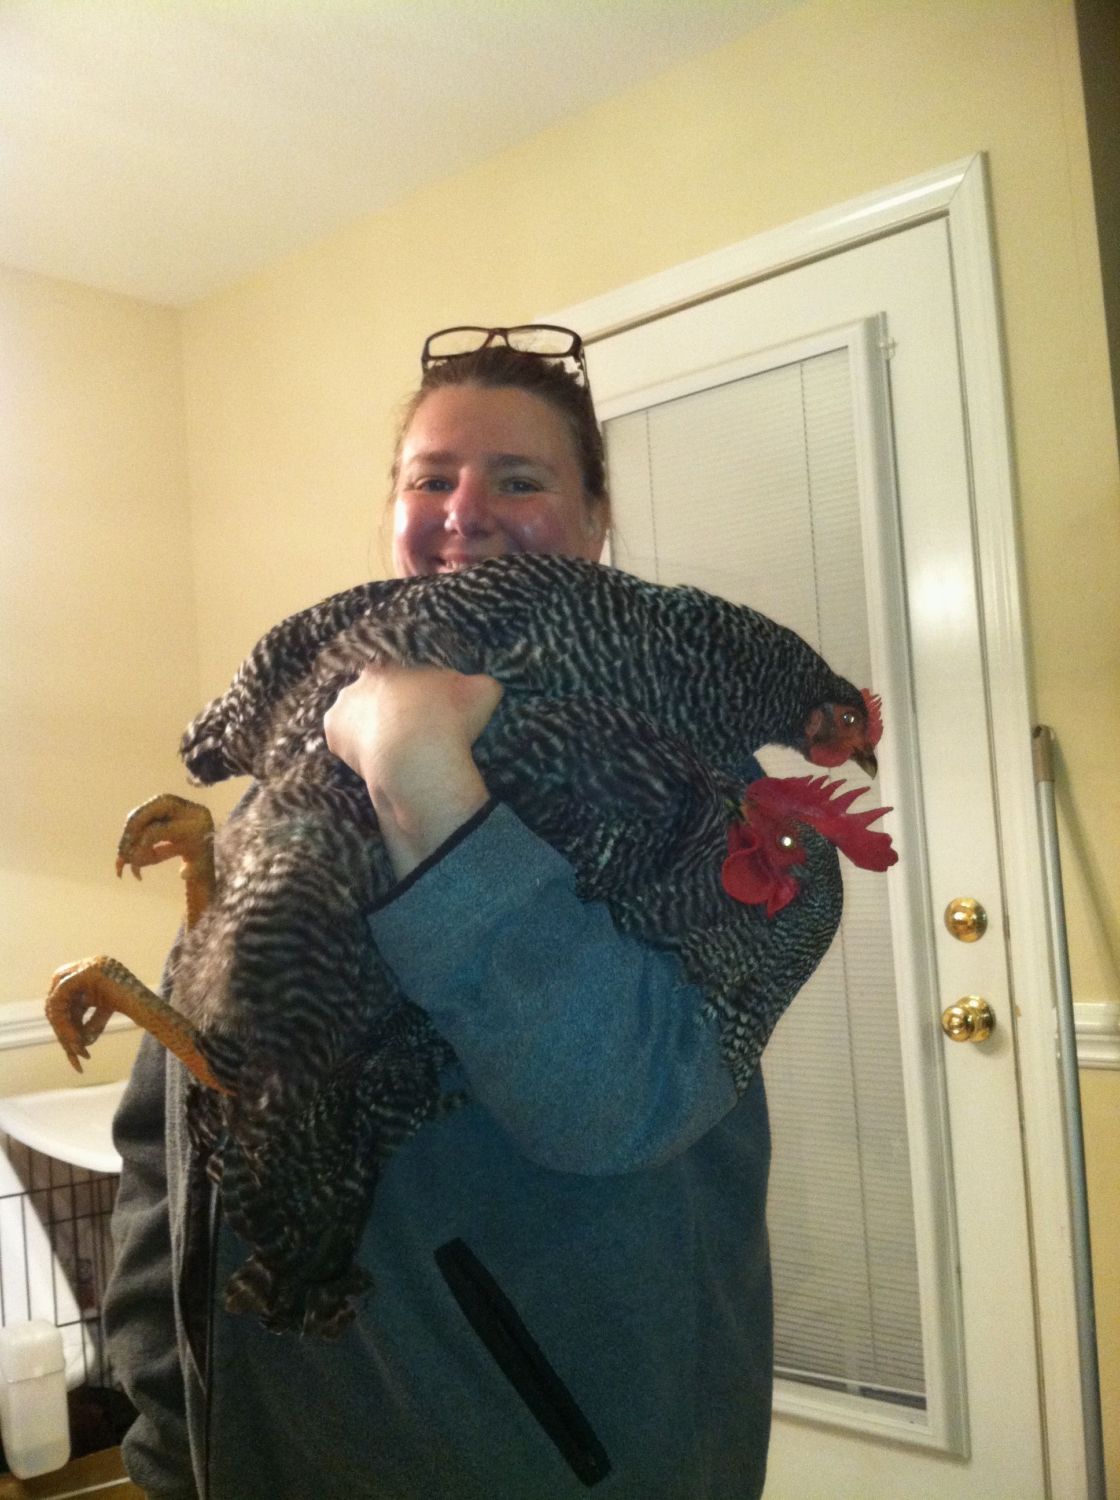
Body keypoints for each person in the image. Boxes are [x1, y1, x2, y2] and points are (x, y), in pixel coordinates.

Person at [104, 326, 781, 1499]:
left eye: (517, 480)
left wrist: (426, 782)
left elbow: (617, 1095)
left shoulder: (688, 775)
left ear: (595, 519)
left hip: (549, 1455)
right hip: (266, 1449)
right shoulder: (298, 765)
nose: (463, 513)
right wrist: (170, 1417)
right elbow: (181, 1117)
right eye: (430, 479)